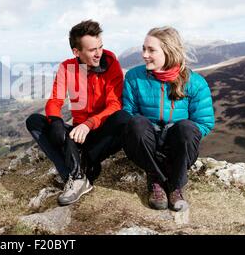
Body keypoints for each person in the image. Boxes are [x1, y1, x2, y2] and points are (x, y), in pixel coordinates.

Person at [26, 20, 130, 206]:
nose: (99, 53)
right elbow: (55, 101)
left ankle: (75, 172)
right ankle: (78, 176)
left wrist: (89, 124)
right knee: (34, 121)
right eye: (92, 50)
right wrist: (56, 121)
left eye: (100, 47)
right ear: (76, 52)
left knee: (123, 118)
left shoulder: (111, 63)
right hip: (78, 135)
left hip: (101, 132)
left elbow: (114, 105)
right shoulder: (67, 67)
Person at [122, 26, 215, 211]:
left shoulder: (195, 82)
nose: (144, 55)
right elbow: (128, 113)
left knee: (187, 128)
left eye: (151, 50)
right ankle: (156, 180)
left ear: (168, 51)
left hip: (177, 146)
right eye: (144, 48)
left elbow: (204, 123)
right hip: (146, 144)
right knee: (136, 123)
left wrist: (180, 136)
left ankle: (175, 186)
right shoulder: (134, 77)